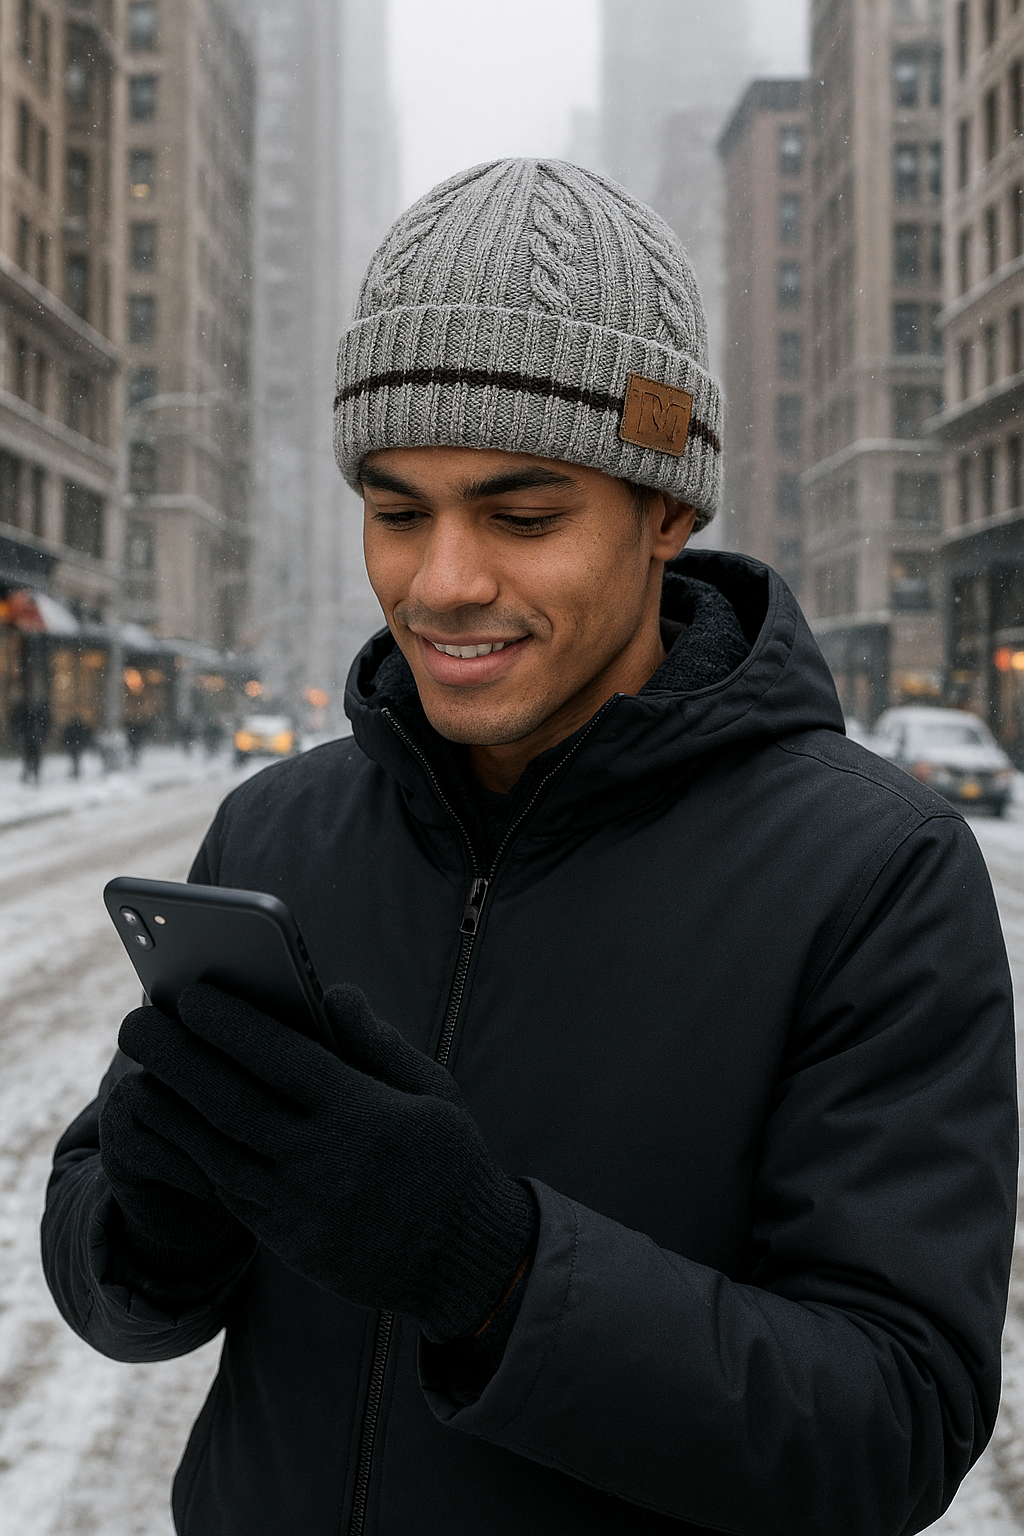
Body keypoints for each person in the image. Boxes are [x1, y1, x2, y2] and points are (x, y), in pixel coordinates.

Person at [42, 160, 1016, 1536]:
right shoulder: (278, 827)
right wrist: (150, 1220)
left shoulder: (879, 875)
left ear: (668, 512)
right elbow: (112, 1289)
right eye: (396, 511)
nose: (443, 582)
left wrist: (486, 1267)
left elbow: (890, 1426)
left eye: (522, 515)